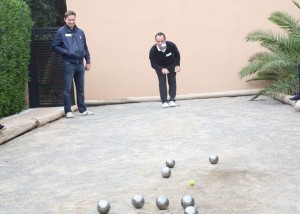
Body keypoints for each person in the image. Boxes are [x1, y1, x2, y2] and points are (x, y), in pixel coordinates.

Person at [52, 10, 94, 118]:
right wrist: (66, 52)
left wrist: (88, 61)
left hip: (80, 64)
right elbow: (55, 46)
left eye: (73, 19)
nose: (71, 21)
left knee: (80, 88)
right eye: (69, 20)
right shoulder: (61, 32)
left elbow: (85, 47)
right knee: (67, 89)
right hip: (68, 64)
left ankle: (82, 110)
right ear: (65, 20)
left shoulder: (80, 32)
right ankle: (68, 111)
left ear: (75, 19)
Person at [149, 32, 181, 108]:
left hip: (171, 65)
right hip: (159, 67)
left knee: (172, 81)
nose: (160, 43)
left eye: (162, 41)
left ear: (165, 40)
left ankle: (172, 100)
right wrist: (161, 69)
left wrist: (177, 65)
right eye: (158, 41)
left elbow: (177, 55)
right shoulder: (153, 50)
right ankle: (164, 101)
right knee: (162, 83)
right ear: (155, 41)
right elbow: (153, 64)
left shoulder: (171, 45)